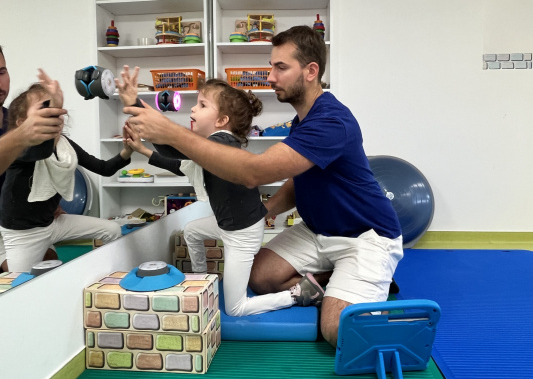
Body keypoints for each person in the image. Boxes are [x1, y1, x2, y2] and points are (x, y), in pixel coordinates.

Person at [122, 26, 403, 346]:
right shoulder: (303, 121)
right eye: (271, 66)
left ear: (311, 71)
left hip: (365, 236)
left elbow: (253, 172)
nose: (270, 77)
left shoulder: (330, 121)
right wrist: (265, 210)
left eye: (280, 67)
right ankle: (332, 280)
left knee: (337, 331)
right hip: (317, 231)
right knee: (260, 278)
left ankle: (371, 288)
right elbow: (299, 181)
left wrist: (170, 132)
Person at [118, 69, 325, 316]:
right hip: (229, 225)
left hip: (242, 235)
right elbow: (178, 163)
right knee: (192, 231)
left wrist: (138, 109)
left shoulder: (222, 142)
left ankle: (298, 293)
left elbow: (174, 147)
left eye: (202, 105)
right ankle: (202, 279)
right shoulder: (212, 149)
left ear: (222, 121)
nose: (193, 109)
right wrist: (143, 148)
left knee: (236, 308)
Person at [0, 73, 133, 272]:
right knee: (19, 284)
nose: (53, 114)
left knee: (112, 230)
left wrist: (127, 151)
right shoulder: (20, 146)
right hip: (24, 233)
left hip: (52, 223)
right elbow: (41, 151)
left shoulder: (64, 143)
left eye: (54, 109)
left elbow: (103, 168)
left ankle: (109, 278)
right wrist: (55, 107)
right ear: (22, 124)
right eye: (45, 109)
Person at [0, 46, 66, 272]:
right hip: (9, 227)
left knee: (50, 264)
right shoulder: (22, 127)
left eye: (1, 72)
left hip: (28, 223)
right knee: (23, 279)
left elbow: (41, 165)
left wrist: (50, 203)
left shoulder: (14, 118)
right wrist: (22, 134)